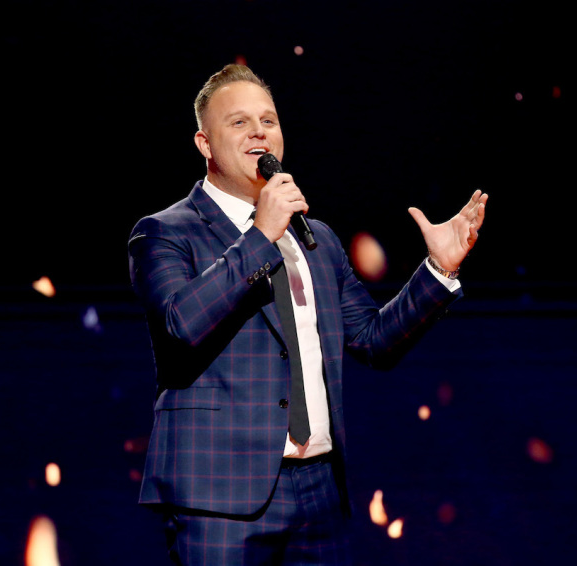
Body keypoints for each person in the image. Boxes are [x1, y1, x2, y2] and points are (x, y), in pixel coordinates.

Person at [128, 63, 487, 566]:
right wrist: (260, 235)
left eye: (268, 120)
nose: (259, 132)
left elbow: (373, 340)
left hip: (319, 491)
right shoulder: (165, 232)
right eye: (239, 122)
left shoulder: (315, 239)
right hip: (218, 495)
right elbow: (180, 326)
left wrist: (437, 270)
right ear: (204, 143)